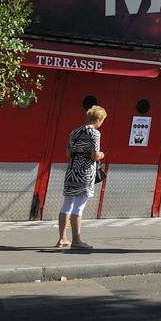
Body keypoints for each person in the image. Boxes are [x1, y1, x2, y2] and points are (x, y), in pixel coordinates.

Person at [55, 104, 107, 249]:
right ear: (99, 119)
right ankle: (77, 241)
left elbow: (68, 153)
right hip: (84, 172)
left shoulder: (75, 131)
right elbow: (94, 155)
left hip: (72, 170)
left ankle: (62, 238)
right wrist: (101, 155)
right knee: (79, 207)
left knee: (67, 204)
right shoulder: (94, 133)